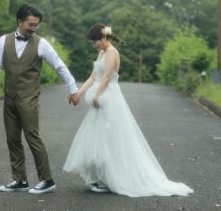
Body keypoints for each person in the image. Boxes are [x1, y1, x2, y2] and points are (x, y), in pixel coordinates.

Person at [63, 24, 193, 197]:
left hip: (109, 99)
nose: (94, 45)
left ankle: (111, 178)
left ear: (103, 38)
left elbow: (108, 77)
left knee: (110, 138)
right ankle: (101, 177)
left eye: (95, 42)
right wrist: (78, 93)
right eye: (93, 43)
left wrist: (97, 96)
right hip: (100, 100)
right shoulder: (101, 52)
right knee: (98, 138)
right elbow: (94, 76)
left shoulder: (112, 53)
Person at [0, 4, 79, 194]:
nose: (33, 28)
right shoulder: (3, 41)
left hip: (29, 98)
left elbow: (59, 66)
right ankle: (19, 180)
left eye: (36, 25)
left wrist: (72, 88)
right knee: (12, 139)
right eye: (30, 24)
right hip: (10, 98)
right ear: (19, 22)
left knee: (32, 137)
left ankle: (47, 180)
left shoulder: (41, 43)